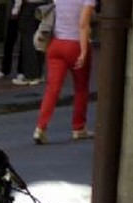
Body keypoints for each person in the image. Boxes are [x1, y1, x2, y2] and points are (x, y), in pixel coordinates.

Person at [33, 0, 96, 143]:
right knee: (81, 88)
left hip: (56, 44)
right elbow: (83, 24)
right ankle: (78, 128)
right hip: (75, 43)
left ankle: (40, 128)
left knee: (52, 88)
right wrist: (84, 51)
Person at [11, 0, 46, 85]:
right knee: (39, 40)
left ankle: (30, 76)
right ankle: (39, 74)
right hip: (43, 6)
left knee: (28, 42)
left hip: (29, 6)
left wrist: (16, 9)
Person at [0, 0, 24, 80]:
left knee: (23, 42)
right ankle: (5, 69)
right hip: (13, 10)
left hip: (26, 10)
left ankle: (21, 71)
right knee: (9, 41)